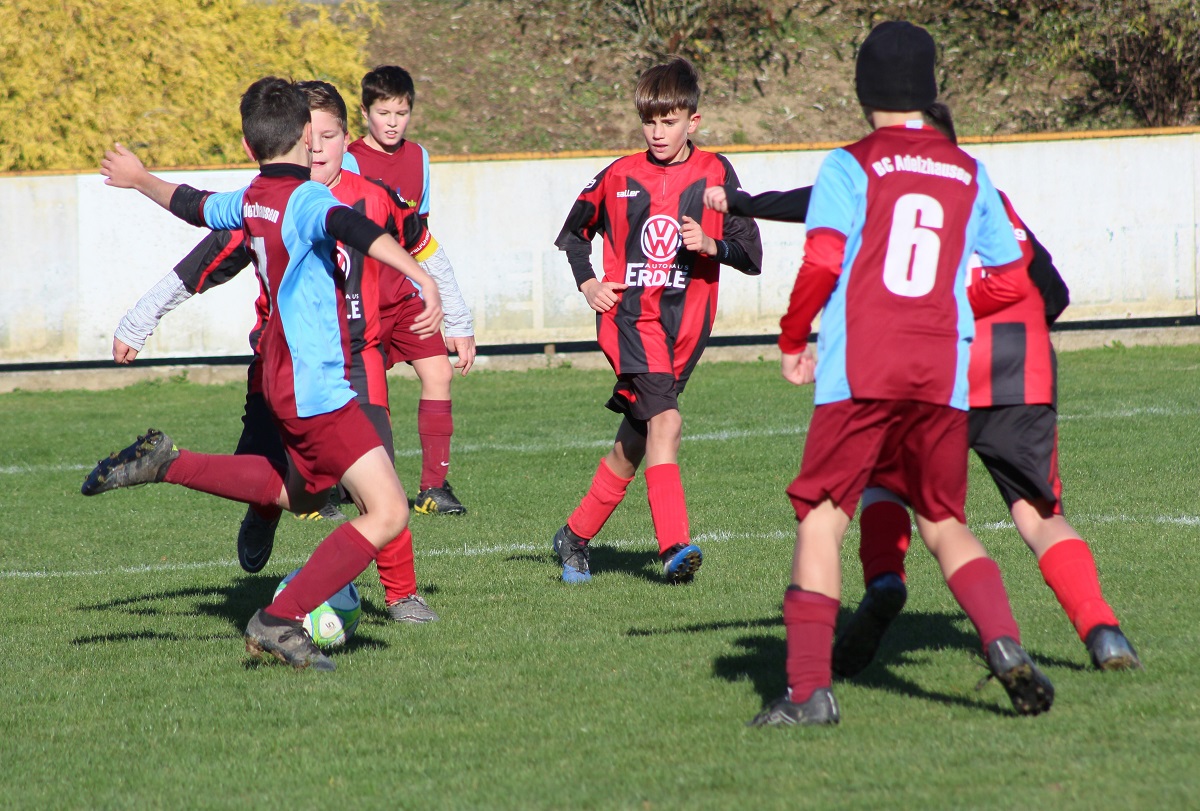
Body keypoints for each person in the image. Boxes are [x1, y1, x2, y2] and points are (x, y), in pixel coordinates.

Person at [747, 22, 1053, 727]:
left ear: (863, 91)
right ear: (928, 87)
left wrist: (793, 336)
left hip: (863, 365)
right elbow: (1012, 278)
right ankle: (1002, 641)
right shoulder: (968, 170)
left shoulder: (848, 165)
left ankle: (808, 692)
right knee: (944, 519)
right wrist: (945, 310)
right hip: (941, 369)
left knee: (822, 517)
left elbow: (824, 259)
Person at [85, 76, 443, 671]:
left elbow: (195, 204)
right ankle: (280, 618)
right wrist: (421, 274)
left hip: (278, 371)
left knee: (301, 491)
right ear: (306, 134)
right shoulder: (307, 198)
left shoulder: (253, 197)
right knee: (387, 512)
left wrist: (141, 178)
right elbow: (351, 226)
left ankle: (167, 463)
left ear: (250, 146)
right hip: (314, 378)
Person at [832, 102, 1141, 676]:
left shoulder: (889, 202)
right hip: (1018, 367)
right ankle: (1104, 633)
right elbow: (1052, 291)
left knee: (885, 483)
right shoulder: (993, 198)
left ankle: (884, 581)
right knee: (1039, 514)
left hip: (936, 372)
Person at [550, 57, 763, 585]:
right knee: (666, 423)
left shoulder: (716, 172)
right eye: (649, 122)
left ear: (693, 120)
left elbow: (750, 253)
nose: (658, 132)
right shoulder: (619, 174)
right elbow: (573, 234)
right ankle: (674, 547)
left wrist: (712, 245)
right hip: (630, 319)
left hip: (685, 331)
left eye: (669, 122)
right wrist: (588, 283)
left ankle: (573, 536)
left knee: (636, 439)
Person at [348, 65, 474, 516]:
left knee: (439, 373)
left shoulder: (418, 157)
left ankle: (433, 488)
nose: (392, 122)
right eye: (383, 113)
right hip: (360, 299)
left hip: (403, 296)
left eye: (401, 113)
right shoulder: (347, 159)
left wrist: (457, 318)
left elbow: (420, 235)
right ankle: (350, 486)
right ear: (365, 112)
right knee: (367, 398)